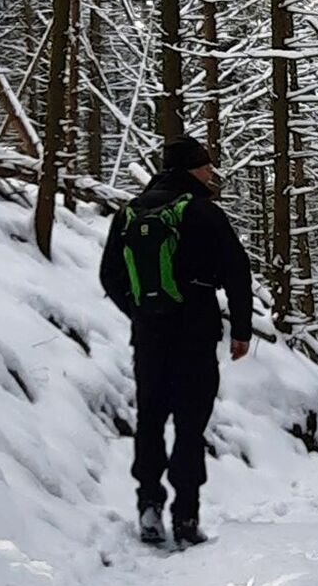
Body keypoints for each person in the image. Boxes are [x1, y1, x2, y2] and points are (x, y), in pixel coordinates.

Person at [99, 136, 254, 547]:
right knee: (190, 425)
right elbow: (237, 272)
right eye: (205, 166)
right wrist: (241, 329)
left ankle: (149, 506)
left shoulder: (130, 212)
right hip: (196, 334)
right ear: (191, 170)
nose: (210, 173)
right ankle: (186, 516)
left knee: (150, 420)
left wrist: (139, 312)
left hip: (149, 337)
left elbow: (109, 275)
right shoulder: (204, 213)